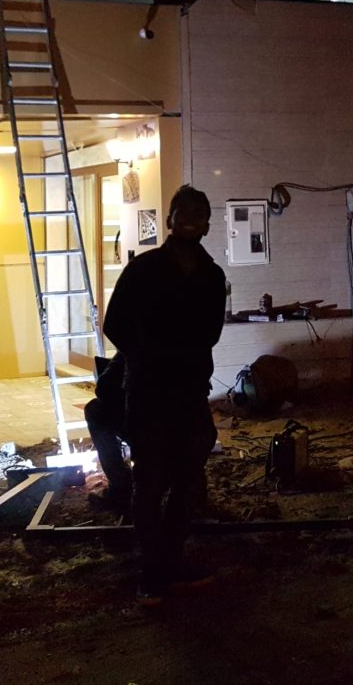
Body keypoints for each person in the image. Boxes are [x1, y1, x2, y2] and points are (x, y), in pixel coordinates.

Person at [103, 184, 226, 602]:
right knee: (150, 481)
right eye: (183, 211)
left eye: (199, 213)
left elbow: (211, 333)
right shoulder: (143, 270)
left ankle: (171, 562)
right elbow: (114, 324)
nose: (190, 219)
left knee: (188, 482)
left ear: (208, 224)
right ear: (169, 218)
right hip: (149, 393)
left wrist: (180, 356)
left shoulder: (212, 276)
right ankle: (151, 573)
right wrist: (144, 356)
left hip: (190, 392)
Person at [84, 352, 132, 515]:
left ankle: (121, 486)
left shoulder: (135, 347)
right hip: (185, 424)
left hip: (145, 424)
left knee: (94, 410)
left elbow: (104, 388)